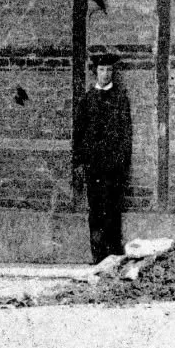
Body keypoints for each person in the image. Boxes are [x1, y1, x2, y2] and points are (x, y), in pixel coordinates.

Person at [72, 52, 133, 264]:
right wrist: (79, 162)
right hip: (93, 166)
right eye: (101, 70)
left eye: (109, 70)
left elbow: (126, 134)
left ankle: (114, 255)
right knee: (96, 209)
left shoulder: (120, 98)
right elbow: (78, 134)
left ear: (113, 72)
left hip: (114, 166)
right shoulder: (87, 99)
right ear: (95, 72)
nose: (105, 74)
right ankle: (98, 255)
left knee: (113, 209)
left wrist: (123, 163)